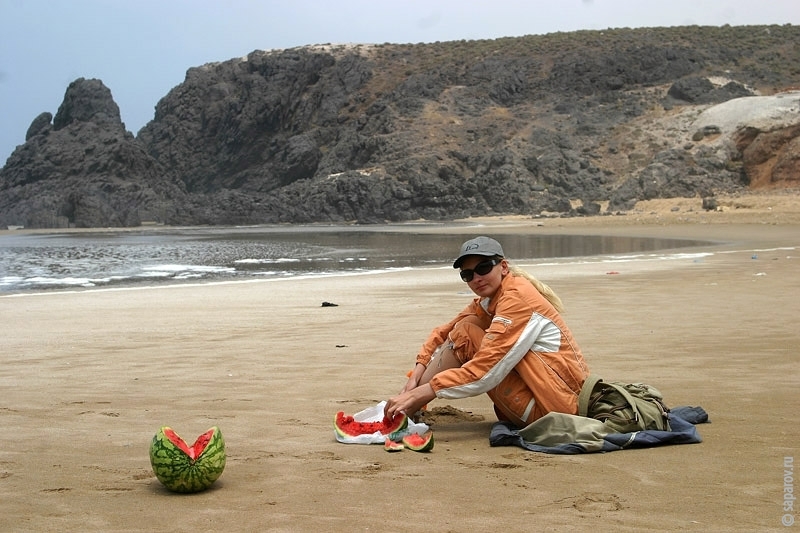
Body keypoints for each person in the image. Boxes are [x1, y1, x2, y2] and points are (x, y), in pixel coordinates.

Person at [384, 236, 589, 427]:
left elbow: (486, 372)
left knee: (466, 334)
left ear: (504, 267)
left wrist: (427, 391)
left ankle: (408, 408)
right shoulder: (492, 299)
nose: (476, 278)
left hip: (554, 412)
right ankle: (409, 406)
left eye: (483, 268)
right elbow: (443, 332)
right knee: (467, 324)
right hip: (547, 400)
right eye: (468, 274)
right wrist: (416, 373)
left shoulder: (517, 299)